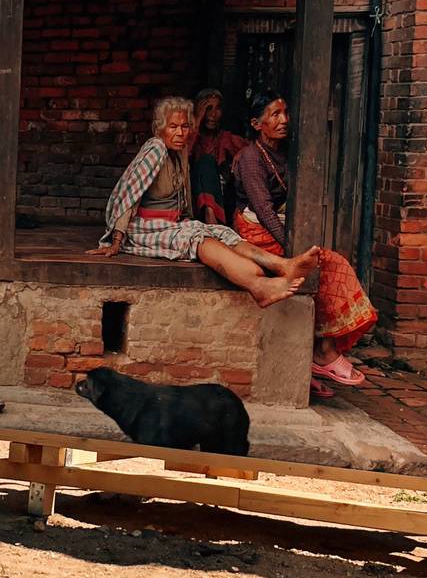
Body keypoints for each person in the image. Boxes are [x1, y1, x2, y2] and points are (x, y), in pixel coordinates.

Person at [98, 94, 316, 307]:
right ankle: (259, 287)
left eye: (184, 127)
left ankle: (283, 265)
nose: (180, 133)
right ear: (159, 128)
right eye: (173, 127)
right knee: (200, 239)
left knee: (225, 233)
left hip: (172, 224)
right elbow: (129, 193)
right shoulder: (155, 148)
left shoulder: (179, 152)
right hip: (145, 227)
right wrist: (117, 239)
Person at [231, 90, 377, 389]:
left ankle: (319, 352)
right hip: (255, 230)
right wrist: (292, 249)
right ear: (257, 124)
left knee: (330, 266)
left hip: (278, 229)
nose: (284, 120)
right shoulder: (250, 157)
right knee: (325, 265)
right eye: (274, 114)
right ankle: (323, 353)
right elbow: (264, 209)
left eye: (285, 113)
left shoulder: (284, 153)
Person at [190, 88, 245, 224]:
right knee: (206, 161)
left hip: (224, 199)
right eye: (208, 109)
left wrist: (241, 152)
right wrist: (197, 120)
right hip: (193, 199)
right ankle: (211, 217)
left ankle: (213, 217)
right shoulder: (189, 136)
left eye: (217, 109)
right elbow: (182, 155)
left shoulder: (225, 137)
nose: (212, 114)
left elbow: (255, 148)